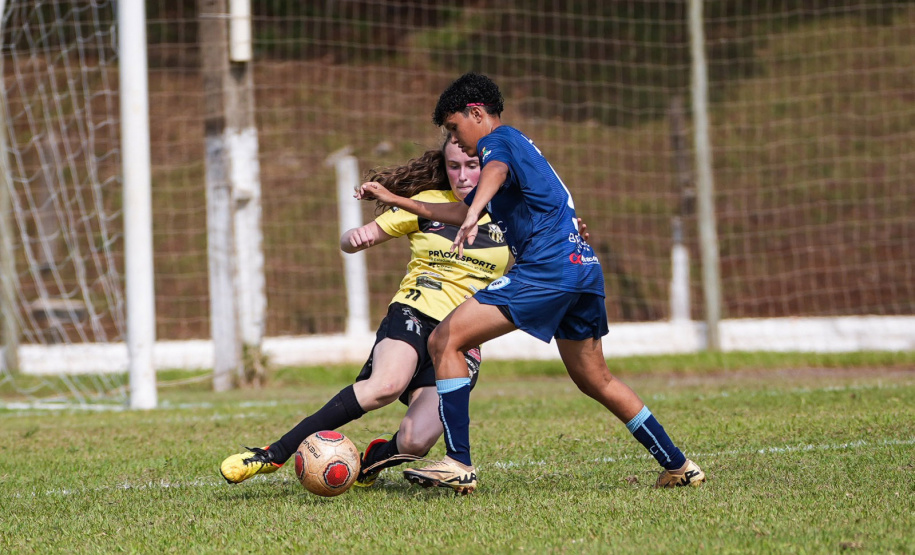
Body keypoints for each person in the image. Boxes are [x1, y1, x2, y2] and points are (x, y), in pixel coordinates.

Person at [356, 72, 705, 494]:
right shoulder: (520, 152)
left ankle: (458, 462)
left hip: (547, 269)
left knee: (445, 339)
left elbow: (493, 171)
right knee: (596, 379)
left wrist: (476, 209)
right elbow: (462, 210)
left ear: (476, 113)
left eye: (454, 127)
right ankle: (678, 465)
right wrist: (398, 201)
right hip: (582, 269)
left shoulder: (499, 142)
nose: (456, 139)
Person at [218, 136, 512, 486]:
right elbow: (354, 239)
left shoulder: (512, 216)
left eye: (472, 166)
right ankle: (272, 454)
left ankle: (371, 462)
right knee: (384, 386)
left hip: (463, 332)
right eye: (454, 166)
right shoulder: (426, 204)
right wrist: (355, 238)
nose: (462, 176)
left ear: (490, 168)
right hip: (415, 312)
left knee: (415, 441)